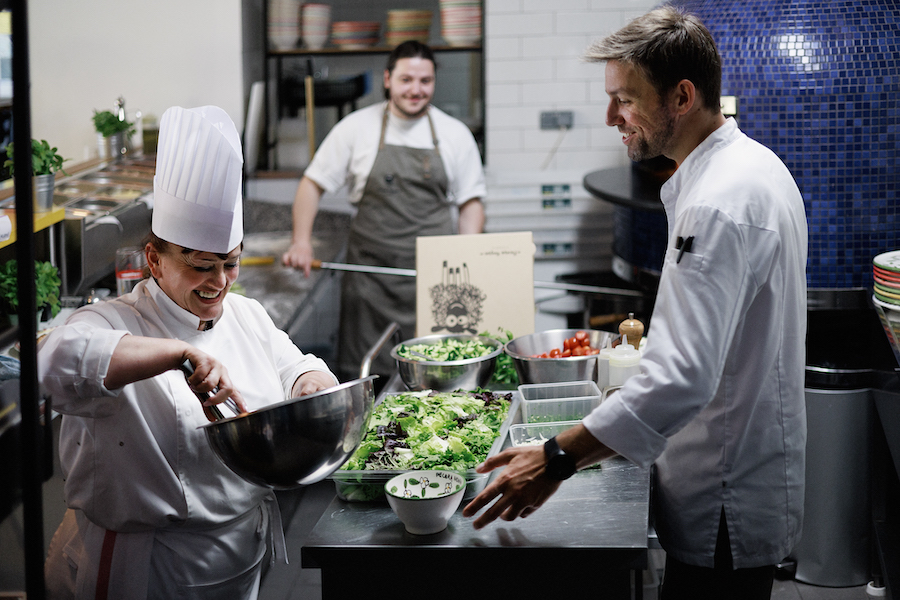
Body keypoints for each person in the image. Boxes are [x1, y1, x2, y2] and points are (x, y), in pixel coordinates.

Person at [462, 7, 808, 600]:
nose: (608, 117)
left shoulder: (717, 202)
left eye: (624, 99)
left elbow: (684, 378)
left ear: (682, 96)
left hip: (722, 490)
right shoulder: (752, 168)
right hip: (737, 467)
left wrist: (556, 457)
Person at [39, 105, 337, 600]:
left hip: (240, 560)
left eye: (230, 264)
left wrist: (310, 383)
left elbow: (295, 366)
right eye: (202, 266)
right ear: (154, 259)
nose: (219, 283)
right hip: (151, 571)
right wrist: (176, 353)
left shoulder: (245, 315)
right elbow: (56, 361)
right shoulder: (114, 321)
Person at [281, 40, 487, 381]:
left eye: (425, 81)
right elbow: (312, 183)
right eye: (407, 80)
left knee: (433, 377)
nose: (416, 90)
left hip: (434, 280)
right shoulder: (356, 128)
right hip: (370, 279)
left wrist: (468, 255)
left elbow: (470, 202)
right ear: (388, 79)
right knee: (367, 376)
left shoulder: (455, 134)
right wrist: (300, 241)